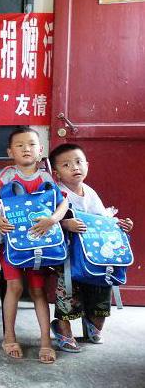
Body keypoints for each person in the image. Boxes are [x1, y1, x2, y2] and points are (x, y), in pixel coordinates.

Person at [0, 126, 69, 364]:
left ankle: (45, 341)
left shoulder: (46, 177)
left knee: (38, 291)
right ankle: (9, 337)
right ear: (10, 152)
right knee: (14, 287)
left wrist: (52, 219)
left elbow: (63, 203)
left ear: (40, 150)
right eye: (19, 145)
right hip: (11, 244)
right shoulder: (8, 174)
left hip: (39, 244)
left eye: (31, 144)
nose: (26, 149)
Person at [49, 143, 134, 351]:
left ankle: (93, 323)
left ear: (87, 164)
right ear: (56, 173)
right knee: (68, 291)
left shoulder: (90, 192)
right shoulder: (56, 192)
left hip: (95, 255)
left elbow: (103, 220)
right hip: (70, 255)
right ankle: (62, 327)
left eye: (79, 162)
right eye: (66, 165)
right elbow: (48, 222)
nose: (74, 167)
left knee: (101, 287)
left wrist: (121, 224)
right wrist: (65, 224)